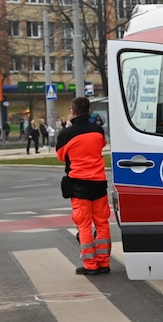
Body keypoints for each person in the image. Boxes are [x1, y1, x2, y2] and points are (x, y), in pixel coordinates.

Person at [56, 96, 110, 276]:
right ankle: (104, 262)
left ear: (73, 112)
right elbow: (101, 146)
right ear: (89, 111)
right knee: (102, 223)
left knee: (84, 225)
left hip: (79, 185)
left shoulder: (66, 134)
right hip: (99, 183)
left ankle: (90, 265)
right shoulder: (98, 131)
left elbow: (61, 156)